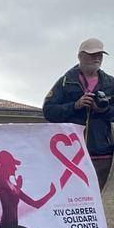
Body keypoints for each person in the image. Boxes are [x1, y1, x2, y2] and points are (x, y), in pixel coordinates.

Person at [43, 38, 114, 189]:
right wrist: (75, 105)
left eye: (100, 55)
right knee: (72, 195)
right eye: (92, 54)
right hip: (70, 153)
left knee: (98, 199)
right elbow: (48, 111)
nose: (97, 58)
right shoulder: (65, 82)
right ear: (80, 56)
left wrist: (104, 110)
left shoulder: (111, 83)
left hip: (101, 153)